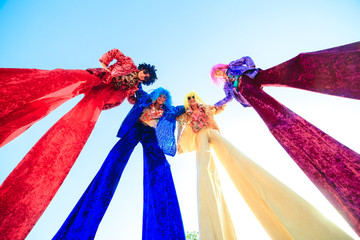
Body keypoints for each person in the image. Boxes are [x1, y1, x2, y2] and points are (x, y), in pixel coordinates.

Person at [0, 49, 158, 240]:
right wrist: (104, 65)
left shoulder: (134, 89)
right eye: (145, 72)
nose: (144, 75)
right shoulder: (129, 63)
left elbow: (133, 100)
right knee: (60, 80)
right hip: (98, 78)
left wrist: (145, 102)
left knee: (78, 125)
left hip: (101, 96)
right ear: (142, 68)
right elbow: (115, 52)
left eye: (146, 77)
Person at [209, 42, 360, 236]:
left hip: (252, 77)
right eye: (218, 75)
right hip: (248, 92)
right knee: (271, 112)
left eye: (219, 71)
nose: (221, 73)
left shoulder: (232, 65)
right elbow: (227, 99)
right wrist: (213, 107)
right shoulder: (228, 87)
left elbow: (247, 58)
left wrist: (250, 70)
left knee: (286, 73)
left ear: (221, 67)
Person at [176, 91, 351, 240]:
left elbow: (221, 105)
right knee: (204, 164)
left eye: (193, 97)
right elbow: (179, 123)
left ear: (196, 98)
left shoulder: (206, 108)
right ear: (187, 101)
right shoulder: (187, 114)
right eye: (189, 98)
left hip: (212, 131)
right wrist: (177, 141)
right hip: (200, 136)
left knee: (229, 152)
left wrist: (232, 93)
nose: (192, 100)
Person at [53, 87, 186, 240]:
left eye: (164, 98)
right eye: (160, 96)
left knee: (160, 163)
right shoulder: (146, 101)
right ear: (156, 96)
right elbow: (139, 90)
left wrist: (190, 105)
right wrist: (138, 81)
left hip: (150, 133)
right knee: (117, 154)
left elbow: (177, 111)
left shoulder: (166, 110)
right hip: (138, 128)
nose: (162, 99)